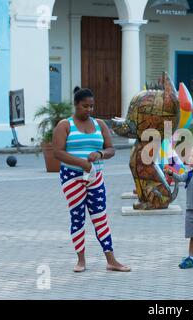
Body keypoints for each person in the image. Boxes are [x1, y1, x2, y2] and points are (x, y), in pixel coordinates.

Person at [53, 86, 131, 273]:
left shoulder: (99, 125)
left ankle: (111, 260)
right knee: (78, 217)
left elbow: (111, 149)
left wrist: (100, 153)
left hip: (95, 177)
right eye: (85, 106)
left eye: (91, 106)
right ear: (76, 105)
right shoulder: (65, 125)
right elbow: (57, 152)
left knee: (100, 217)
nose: (89, 110)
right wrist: (82, 163)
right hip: (72, 178)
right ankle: (81, 260)